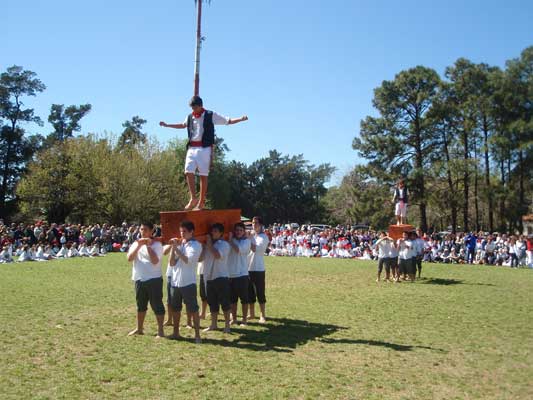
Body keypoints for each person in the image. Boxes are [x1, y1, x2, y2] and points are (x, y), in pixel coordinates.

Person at [159, 96, 248, 210]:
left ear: (200, 106)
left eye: (195, 107)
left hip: (205, 147)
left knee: (203, 175)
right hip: (192, 147)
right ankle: (193, 198)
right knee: (188, 171)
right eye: (192, 108)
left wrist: (240, 119)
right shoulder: (190, 117)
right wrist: (167, 125)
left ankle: (201, 202)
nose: (193, 110)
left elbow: (228, 121)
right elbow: (182, 125)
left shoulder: (210, 114)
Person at [126, 222, 165, 338]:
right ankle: (139, 328)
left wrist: (148, 246)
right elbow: (129, 258)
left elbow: (154, 261)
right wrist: (139, 245)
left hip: (154, 279)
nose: (143, 232)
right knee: (140, 305)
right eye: (141, 230)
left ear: (152, 231)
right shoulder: (136, 243)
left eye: (145, 230)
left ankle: (161, 331)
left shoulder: (157, 245)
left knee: (157, 305)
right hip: (139, 278)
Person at [168, 220, 203, 343]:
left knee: (193, 309)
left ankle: (197, 335)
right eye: (181, 231)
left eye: (184, 232)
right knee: (176, 308)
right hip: (175, 281)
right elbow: (171, 263)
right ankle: (176, 333)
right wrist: (174, 248)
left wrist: (176, 249)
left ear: (191, 232)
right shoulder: (180, 244)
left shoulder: (196, 245)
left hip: (188, 282)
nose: (182, 234)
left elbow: (188, 260)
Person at [201, 223, 232, 333]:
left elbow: (217, 255)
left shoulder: (224, 245)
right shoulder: (208, 244)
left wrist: (208, 243)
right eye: (212, 231)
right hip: (209, 277)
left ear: (221, 233)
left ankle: (227, 325)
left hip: (221, 276)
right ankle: (214, 324)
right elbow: (200, 259)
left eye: (215, 231)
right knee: (212, 303)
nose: (213, 233)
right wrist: (203, 245)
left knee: (225, 302)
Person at [227, 222, 251, 325]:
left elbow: (238, 250)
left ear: (244, 231)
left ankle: (244, 319)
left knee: (244, 299)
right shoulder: (231, 240)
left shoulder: (246, 241)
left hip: (242, 274)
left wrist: (230, 240)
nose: (238, 232)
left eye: (241, 230)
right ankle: (234, 318)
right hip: (230, 274)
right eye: (237, 230)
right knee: (232, 300)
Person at [247, 216, 270, 323]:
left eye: (256, 223)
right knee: (249, 292)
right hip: (247, 268)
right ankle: (251, 314)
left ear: (261, 225)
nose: (253, 225)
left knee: (260, 292)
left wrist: (249, 237)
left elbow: (255, 248)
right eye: (252, 223)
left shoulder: (263, 237)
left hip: (258, 268)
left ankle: (262, 315)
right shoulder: (251, 235)